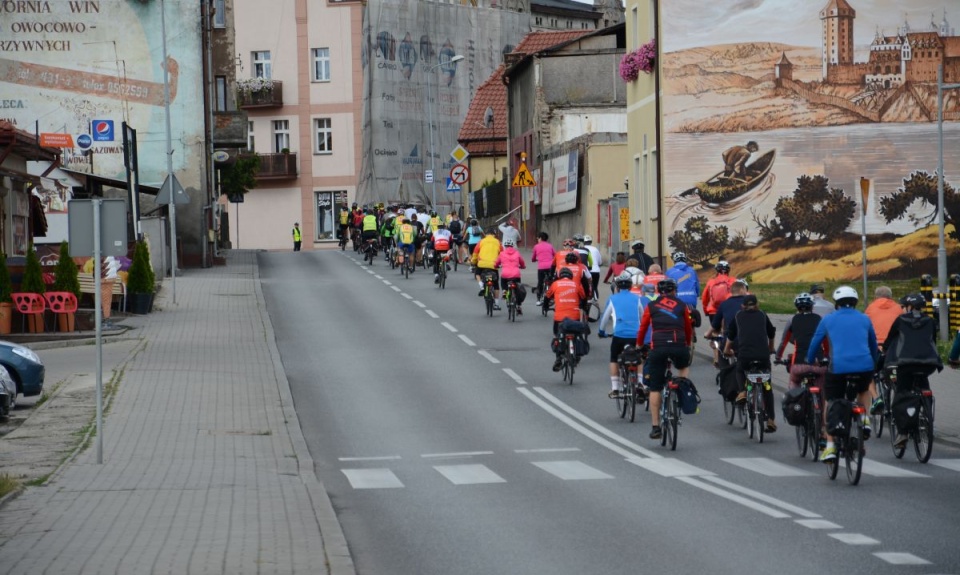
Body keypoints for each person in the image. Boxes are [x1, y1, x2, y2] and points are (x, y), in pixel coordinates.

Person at [806, 286, 878, 463]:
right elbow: (873, 345)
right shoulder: (865, 318)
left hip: (838, 368)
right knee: (863, 390)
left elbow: (815, 343)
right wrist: (873, 363)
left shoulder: (828, 319)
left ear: (836, 303)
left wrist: (810, 360)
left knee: (830, 401)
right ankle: (865, 418)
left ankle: (830, 447)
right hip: (864, 365)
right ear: (855, 302)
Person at [882, 293, 944, 449]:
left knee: (902, 393)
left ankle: (902, 432)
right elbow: (932, 341)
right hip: (929, 364)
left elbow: (889, 341)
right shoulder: (930, 321)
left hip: (906, 364)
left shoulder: (901, 320)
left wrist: (885, 350)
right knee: (924, 387)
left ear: (909, 307)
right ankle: (928, 419)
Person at [636, 278, 693, 440]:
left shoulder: (652, 305)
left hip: (658, 347)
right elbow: (688, 328)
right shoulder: (682, 305)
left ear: (659, 292)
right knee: (683, 365)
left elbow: (643, 327)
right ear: (675, 291)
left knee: (655, 387)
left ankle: (655, 427)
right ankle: (681, 390)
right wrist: (687, 344)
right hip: (678, 345)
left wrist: (639, 344)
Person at [723, 294, 778, 432]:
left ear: (743, 306)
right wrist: (771, 348)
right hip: (763, 356)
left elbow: (731, 335)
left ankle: (742, 391)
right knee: (767, 387)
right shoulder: (763, 315)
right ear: (757, 304)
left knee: (740, 370)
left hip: (745, 356)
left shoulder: (738, 316)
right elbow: (771, 333)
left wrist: (726, 349)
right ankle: (771, 419)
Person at [598, 272, 645, 398]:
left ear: (617, 287)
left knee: (614, 359)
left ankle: (615, 388)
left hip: (619, 335)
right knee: (639, 357)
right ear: (630, 287)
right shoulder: (637, 299)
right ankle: (640, 382)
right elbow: (642, 316)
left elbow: (605, 318)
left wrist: (601, 332)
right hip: (635, 335)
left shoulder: (613, 299)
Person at [775, 293, 827, 390]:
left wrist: (778, 357)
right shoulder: (820, 319)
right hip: (818, 363)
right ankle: (820, 404)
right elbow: (826, 340)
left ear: (797, 307)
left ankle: (793, 403)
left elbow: (783, 342)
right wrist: (827, 356)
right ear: (812, 306)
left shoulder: (792, 320)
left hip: (799, 363)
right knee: (821, 389)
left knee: (794, 385)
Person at [546, 267, 586, 371]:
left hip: (560, 318)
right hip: (574, 316)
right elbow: (583, 297)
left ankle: (559, 358)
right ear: (571, 276)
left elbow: (547, 296)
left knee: (557, 335)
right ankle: (577, 354)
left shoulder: (556, 284)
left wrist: (545, 306)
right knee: (577, 334)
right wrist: (583, 307)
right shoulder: (576, 284)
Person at [704, 279, 749, 367]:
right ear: (742, 290)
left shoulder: (724, 304)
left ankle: (724, 374)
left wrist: (708, 334)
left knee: (722, 353)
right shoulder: (750, 303)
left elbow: (715, 324)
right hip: (750, 340)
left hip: (732, 341)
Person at [472, 228, 503, 309]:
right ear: (494, 235)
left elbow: (475, 253)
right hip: (494, 265)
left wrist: (473, 262)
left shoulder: (481, 241)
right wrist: (500, 264)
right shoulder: (498, 242)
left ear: (486, 234)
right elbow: (502, 254)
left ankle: (481, 285)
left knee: (477, 274)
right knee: (496, 284)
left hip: (482, 264)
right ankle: (496, 304)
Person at [494, 239, 527, 313]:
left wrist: (496, 266)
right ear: (512, 246)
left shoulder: (502, 253)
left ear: (505, 246)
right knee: (518, 290)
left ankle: (504, 291)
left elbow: (496, 263)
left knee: (503, 282)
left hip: (505, 274)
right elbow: (522, 262)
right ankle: (518, 306)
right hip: (516, 275)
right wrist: (523, 266)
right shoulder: (517, 253)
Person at [530, 232, 556, 305]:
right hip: (550, 267)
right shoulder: (550, 246)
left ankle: (538, 299)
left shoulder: (536, 246)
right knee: (551, 281)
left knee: (540, 282)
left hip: (541, 267)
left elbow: (533, 257)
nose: (537, 240)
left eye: (538, 238)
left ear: (540, 238)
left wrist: (534, 260)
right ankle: (552, 297)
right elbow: (555, 255)